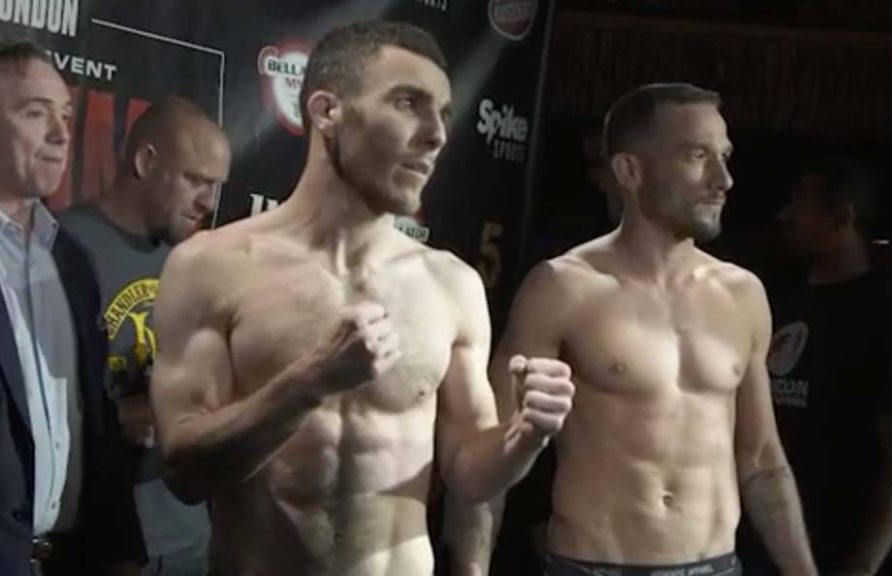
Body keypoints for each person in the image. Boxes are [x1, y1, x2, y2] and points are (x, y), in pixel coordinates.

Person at [148, 20, 573, 576]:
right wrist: (311, 381)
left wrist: (523, 437)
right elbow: (185, 471)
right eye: (408, 103)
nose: (436, 135)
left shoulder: (452, 284)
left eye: (443, 114)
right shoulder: (212, 266)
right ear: (327, 112)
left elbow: (468, 471)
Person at [489, 82, 818, 576]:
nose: (724, 179)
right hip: (593, 565)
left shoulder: (743, 294)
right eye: (697, 156)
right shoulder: (562, 288)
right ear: (629, 170)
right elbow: (489, 453)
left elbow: (763, 461)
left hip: (715, 566)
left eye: (725, 156)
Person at [58, 96, 231, 576]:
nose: (208, 203)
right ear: (145, 161)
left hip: (191, 535)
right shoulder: (61, 247)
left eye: (216, 186)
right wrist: (117, 417)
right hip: (101, 541)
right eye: (196, 180)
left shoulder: (191, 259)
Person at [0, 40, 145, 576]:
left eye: (65, 114)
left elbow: (93, 416)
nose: (62, 134)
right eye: (36, 113)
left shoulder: (72, 260)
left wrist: (120, 551)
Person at [761, 157, 892, 575]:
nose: (785, 215)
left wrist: (862, 567)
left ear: (842, 216)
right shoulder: (782, 305)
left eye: (800, 202)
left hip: (838, 548)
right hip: (769, 545)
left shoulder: (886, 315)